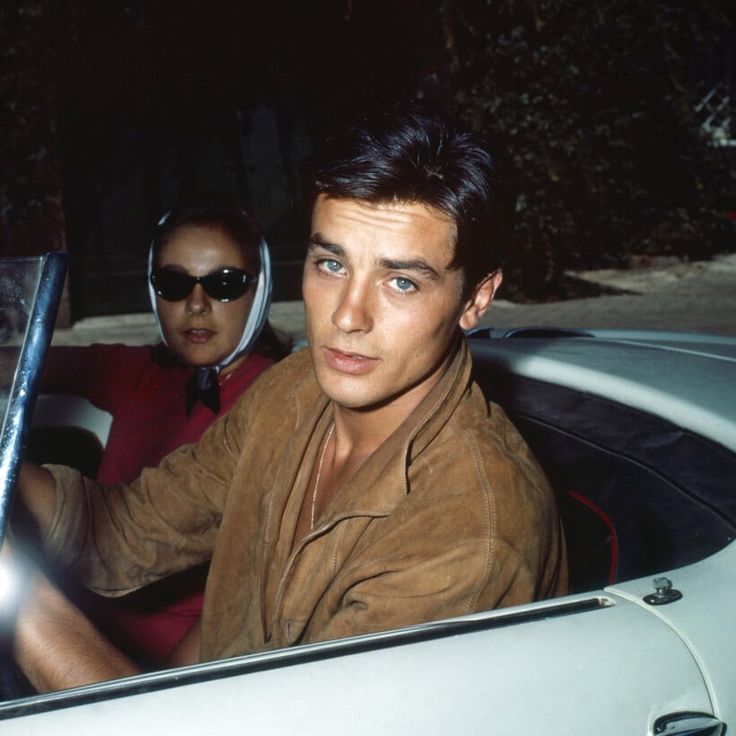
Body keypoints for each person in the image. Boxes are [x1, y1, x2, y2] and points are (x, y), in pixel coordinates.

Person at [10, 103, 568, 693]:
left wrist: (14, 597)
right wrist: (5, 482)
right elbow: (127, 530)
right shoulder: (294, 388)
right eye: (331, 264)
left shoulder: (468, 538)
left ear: (476, 299)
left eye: (401, 281)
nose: (347, 317)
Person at [34, 198, 284, 663]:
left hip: (161, 670)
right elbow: (30, 364)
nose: (196, 304)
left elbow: (247, 603)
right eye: (172, 283)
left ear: (260, 290)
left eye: (224, 285)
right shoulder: (144, 373)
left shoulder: (278, 401)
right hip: (75, 626)